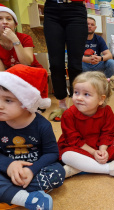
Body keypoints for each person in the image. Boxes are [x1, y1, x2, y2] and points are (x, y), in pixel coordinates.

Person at [0, 64, 65, 210]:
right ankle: (29, 198)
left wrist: (31, 170)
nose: (0, 105)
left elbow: (52, 153)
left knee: (58, 172)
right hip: (6, 170)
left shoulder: (42, 125)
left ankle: (10, 193)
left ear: (26, 103)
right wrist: (9, 165)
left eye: (8, 100)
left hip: (36, 170)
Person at [58, 71, 114, 179]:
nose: (79, 98)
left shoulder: (107, 111)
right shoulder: (68, 114)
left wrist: (102, 150)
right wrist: (93, 152)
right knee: (66, 155)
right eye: (76, 92)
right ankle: (108, 168)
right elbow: (73, 139)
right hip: (78, 147)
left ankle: (77, 169)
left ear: (101, 99)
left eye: (86, 94)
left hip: (99, 144)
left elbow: (107, 133)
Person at [43, 0, 88, 120]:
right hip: (52, 10)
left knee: (75, 65)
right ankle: (62, 104)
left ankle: (77, 104)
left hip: (76, 10)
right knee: (56, 64)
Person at [0, 4, 43, 71]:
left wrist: (14, 39)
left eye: (8, 19)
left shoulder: (25, 38)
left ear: (15, 25)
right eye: (0, 19)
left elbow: (27, 63)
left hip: (33, 72)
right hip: (12, 77)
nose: (5, 22)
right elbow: (2, 73)